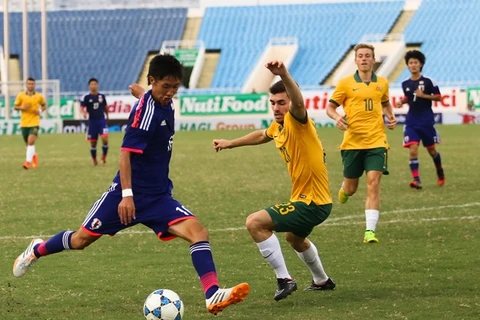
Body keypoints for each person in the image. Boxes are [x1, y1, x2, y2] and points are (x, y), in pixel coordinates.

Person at [13, 54, 249, 316]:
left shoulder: (158, 99)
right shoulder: (145, 114)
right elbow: (125, 153)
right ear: (152, 81)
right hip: (124, 198)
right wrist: (127, 196)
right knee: (80, 241)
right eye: (165, 87)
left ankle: (212, 293)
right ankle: (35, 250)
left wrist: (143, 92)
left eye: (174, 87)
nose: (170, 93)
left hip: (158, 197)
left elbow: (147, 95)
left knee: (198, 233)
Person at [213, 60, 335, 302]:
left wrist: (285, 74)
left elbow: (298, 103)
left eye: (282, 102)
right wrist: (231, 143)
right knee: (294, 238)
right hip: (311, 200)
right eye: (273, 103)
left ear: (290, 101)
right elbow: (262, 134)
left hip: (312, 203)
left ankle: (284, 279)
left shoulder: (298, 121)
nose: (277, 108)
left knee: (255, 223)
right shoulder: (279, 126)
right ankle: (322, 280)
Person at [326, 43, 397, 244]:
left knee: (373, 184)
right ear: (355, 60)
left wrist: (391, 117)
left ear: (373, 59)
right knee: (351, 188)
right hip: (352, 143)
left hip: (377, 141)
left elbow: (384, 102)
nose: (364, 59)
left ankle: (369, 232)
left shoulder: (382, 83)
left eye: (368, 56)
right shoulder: (345, 84)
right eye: (361, 56)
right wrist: (337, 117)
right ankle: (344, 189)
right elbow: (330, 107)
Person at [396, 50, 445, 189]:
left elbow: (438, 97)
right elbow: (409, 97)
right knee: (413, 148)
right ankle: (416, 180)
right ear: (407, 65)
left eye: (415, 62)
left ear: (421, 64)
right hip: (411, 120)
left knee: (432, 151)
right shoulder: (405, 83)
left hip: (426, 121)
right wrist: (402, 101)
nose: (413, 65)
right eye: (410, 63)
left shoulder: (429, 81)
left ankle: (440, 172)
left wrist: (424, 95)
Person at [13, 77, 47, 169]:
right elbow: (15, 107)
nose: (30, 85)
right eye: (29, 84)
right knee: (28, 145)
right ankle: (34, 155)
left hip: (34, 122)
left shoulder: (39, 96)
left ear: (34, 85)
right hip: (24, 123)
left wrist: (39, 110)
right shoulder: (21, 95)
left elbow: (44, 106)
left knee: (31, 142)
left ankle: (27, 162)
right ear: (26, 85)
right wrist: (22, 108)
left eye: (32, 84)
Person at [81, 78, 109, 166]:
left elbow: (105, 107)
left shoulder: (102, 96)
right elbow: (82, 107)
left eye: (95, 84)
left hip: (101, 121)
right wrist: (84, 113)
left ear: (97, 85)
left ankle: (103, 158)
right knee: (93, 143)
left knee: (105, 139)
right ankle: (94, 160)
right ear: (89, 86)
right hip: (92, 122)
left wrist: (108, 116)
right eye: (92, 84)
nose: (93, 85)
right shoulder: (86, 97)